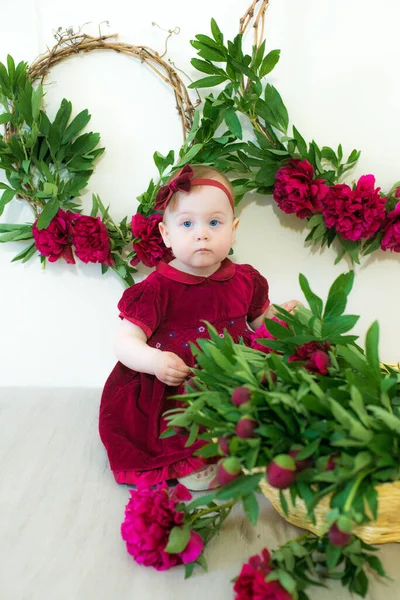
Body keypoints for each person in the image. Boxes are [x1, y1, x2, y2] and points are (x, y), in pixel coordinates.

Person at [99, 164, 299, 490]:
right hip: (177, 384)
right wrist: (154, 361)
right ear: (166, 234)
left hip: (233, 376)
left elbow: (260, 320)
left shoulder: (245, 280)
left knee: (265, 408)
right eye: (187, 223)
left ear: (233, 230)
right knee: (179, 424)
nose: (202, 233)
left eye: (214, 223)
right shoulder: (156, 289)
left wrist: (283, 319)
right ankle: (196, 458)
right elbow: (125, 342)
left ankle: (249, 449)